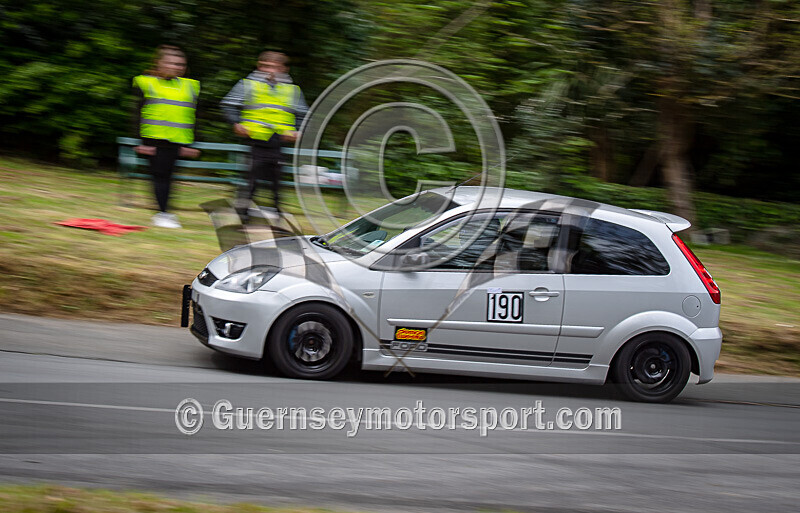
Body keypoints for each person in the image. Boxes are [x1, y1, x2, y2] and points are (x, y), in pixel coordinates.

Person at [220, 51, 307, 218]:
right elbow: (228, 105)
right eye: (266, 66)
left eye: (275, 67)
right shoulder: (247, 84)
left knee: (276, 181)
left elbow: (303, 114)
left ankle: (275, 212)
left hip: (279, 140)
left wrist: (298, 131)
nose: (270, 70)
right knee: (251, 179)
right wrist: (236, 123)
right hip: (255, 139)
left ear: (284, 69)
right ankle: (243, 214)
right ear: (259, 66)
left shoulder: (293, 90)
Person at [132, 45, 200, 229]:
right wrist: (140, 142)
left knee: (170, 178)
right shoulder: (145, 83)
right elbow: (137, 113)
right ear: (159, 63)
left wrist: (192, 143)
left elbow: (193, 115)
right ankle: (163, 214)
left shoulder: (190, 86)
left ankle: (164, 212)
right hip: (153, 139)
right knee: (161, 177)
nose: (176, 67)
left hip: (178, 140)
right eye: (171, 63)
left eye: (180, 64)